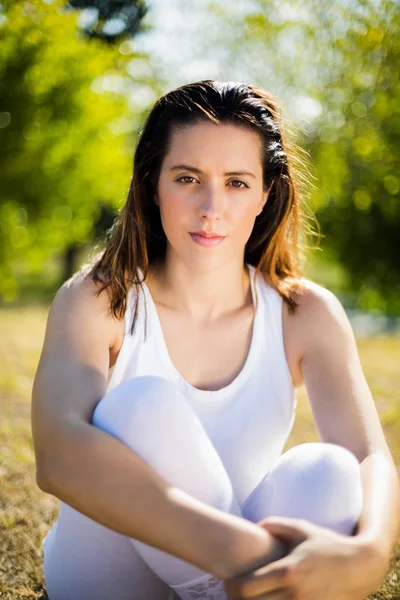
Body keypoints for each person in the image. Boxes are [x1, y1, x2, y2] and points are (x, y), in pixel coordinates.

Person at [31, 80, 399, 600]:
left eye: (237, 182)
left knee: (330, 470)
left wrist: (370, 554)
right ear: (151, 184)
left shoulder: (304, 312)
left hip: (243, 565)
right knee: (141, 405)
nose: (211, 207)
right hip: (110, 574)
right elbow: (59, 454)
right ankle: (217, 590)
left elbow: (369, 458)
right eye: (187, 178)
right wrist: (243, 554)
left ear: (266, 194)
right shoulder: (98, 298)